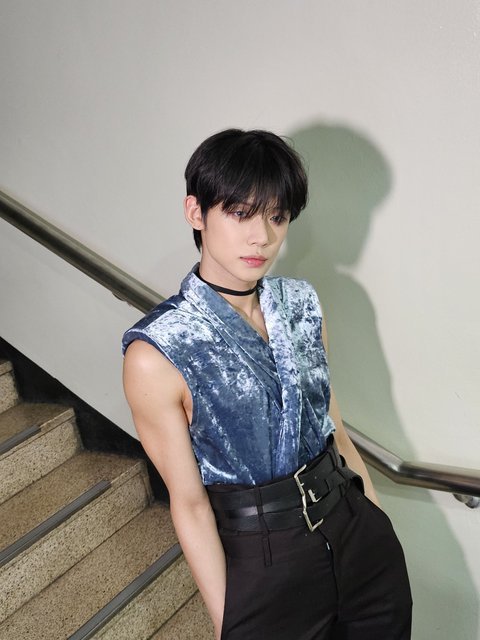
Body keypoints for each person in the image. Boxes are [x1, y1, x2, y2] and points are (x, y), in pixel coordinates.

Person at [122, 129, 412, 640]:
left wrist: (375, 518)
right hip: (263, 558)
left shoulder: (301, 303)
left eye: (276, 217)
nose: (262, 237)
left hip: (357, 535)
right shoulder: (158, 351)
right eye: (240, 213)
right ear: (196, 212)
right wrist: (228, 620)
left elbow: (335, 431)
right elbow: (189, 504)